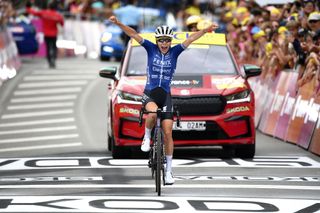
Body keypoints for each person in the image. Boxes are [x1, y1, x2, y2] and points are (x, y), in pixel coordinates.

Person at [108, 15, 218, 185]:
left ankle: (168, 172)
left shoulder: (175, 51)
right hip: (150, 92)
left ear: (170, 41)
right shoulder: (150, 49)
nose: (164, 44)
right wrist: (119, 23)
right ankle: (146, 136)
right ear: (157, 41)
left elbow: (192, 38)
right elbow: (133, 34)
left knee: (168, 132)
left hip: (165, 94)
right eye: (161, 41)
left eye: (167, 41)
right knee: (152, 114)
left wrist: (205, 30)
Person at [26, 1, 64, 68]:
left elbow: (33, 12)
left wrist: (28, 6)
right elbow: (62, 23)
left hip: (46, 33)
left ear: (49, 7)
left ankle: (50, 62)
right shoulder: (57, 15)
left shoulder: (44, 13)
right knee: (54, 47)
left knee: (48, 47)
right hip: (54, 34)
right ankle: (53, 60)